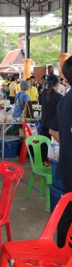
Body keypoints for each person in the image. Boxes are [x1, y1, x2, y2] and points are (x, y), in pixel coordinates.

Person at [49, 56, 72, 248]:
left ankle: (61, 248)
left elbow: (53, 130)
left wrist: (67, 145)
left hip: (67, 162)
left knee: (68, 207)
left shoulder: (65, 99)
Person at [40, 74, 62, 165]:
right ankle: (55, 162)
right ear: (57, 84)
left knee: (44, 143)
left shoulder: (43, 94)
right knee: (56, 145)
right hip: (54, 125)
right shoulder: (58, 96)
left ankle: (44, 161)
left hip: (44, 122)